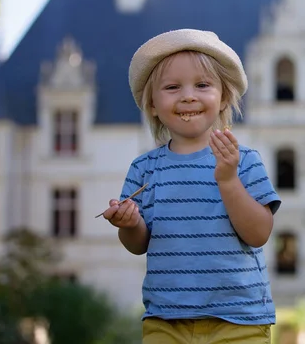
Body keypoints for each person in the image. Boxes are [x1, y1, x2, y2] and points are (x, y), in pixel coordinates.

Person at [100, 29, 281, 344]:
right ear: (152, 104)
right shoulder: (144, 169)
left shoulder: (245, 161)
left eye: (202, 85)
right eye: (172, 87)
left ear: (223, 96)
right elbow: (138, 244)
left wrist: (228, 179)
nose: (188, 96)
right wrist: (129, 224)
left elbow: (259, 233)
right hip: (166, 321)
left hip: (239, 320)